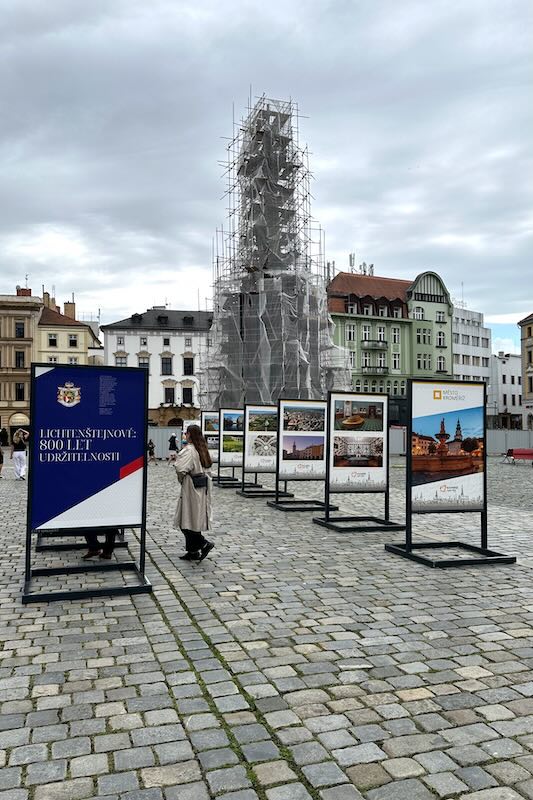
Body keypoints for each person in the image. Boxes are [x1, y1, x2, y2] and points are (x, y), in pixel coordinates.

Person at [174, 424, 214, 562]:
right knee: (194, 520)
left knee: (186, 521)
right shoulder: (202, 449)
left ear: (190, 434)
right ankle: (193, 551)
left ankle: (203, 544)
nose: (185, 435)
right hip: (201, 488)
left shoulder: (190, 450)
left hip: (191, 487)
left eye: (186, 433)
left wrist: (182, 480)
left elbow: (180, 468)